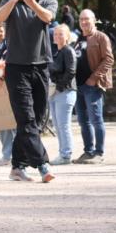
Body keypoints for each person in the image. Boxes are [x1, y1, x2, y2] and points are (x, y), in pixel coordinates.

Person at [0, 0, 59, 183]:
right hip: (16, 67)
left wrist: (31, 2)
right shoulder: (10, 1)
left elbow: (48, 18)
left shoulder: (48, 1)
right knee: (26, 118)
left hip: (40, 65)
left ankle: (17, 167)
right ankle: (42, 164)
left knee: (35, 120)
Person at [71, 9, 114, 164]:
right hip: (78, 86)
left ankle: (99, 152)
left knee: (96, 120)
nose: (83, 22)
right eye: (81, 19)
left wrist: (93, 78)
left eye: (87, 19)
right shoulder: (78, 38)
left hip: (93, 86)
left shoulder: (101, 37)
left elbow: (109, 60)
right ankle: (88, 151)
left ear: (94, 20)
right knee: (83, 121)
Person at [48, 24, 77, 165]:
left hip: (65, 92)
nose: (57, 36)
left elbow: (71, 71)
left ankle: (66, 155)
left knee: (63, 125)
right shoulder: (56, 52)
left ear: (67, 36)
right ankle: (62, 152)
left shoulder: (68, 51)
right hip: (55, 92)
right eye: (55, 34)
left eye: (61, 34)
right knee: (57, 125)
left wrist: (59, 88)